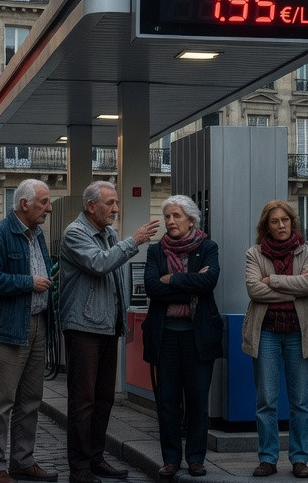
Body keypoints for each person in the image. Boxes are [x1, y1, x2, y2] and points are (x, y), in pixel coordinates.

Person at [58, 181, 159, 483]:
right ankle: (79, 467)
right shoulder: (75, 233)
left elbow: (117, 278)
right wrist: (134, 241)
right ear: (91, 206)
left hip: (107, 325)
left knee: (104, 398)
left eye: (116, 202)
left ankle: (96, 458)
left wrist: (123, 316)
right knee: (83, 399)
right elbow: (100, 264)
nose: (116, 208)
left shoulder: (110, 234)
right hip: (83, 326)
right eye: (110, 203)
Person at [0, 178, 58, 483]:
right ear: (24, 204)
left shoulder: (37, 235)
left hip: (37, 323)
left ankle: (23, 460)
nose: (48, 208)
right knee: (1, 402)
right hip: (9, 328)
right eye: (43, 202)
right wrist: (28, 283)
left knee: (31, 399)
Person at [143, 195, 222, 480]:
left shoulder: (207, 247)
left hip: (197, 335)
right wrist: (190, 284)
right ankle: (171, 459)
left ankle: (196, 458)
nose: (170, 221)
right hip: (165, 336)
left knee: (198, 400)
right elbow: (152, 287)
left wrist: (172, 280)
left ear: (191, 220)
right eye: (167, 216)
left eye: (176, 216)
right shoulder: (156, 251)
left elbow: (209, 282)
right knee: (167, 400)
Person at [243, 200, 308, 479]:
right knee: (267, 400)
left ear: (292, 223)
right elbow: (254, 290)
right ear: (267, 226)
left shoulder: (307, 251)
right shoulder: (254, 254)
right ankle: (268, 458)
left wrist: (271, 280)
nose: (281, 226)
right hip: (267, 333)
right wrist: (293, 286)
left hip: (299, 333)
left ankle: (300, 458)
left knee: (300, 401)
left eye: (285, 220)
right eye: (274, 222)